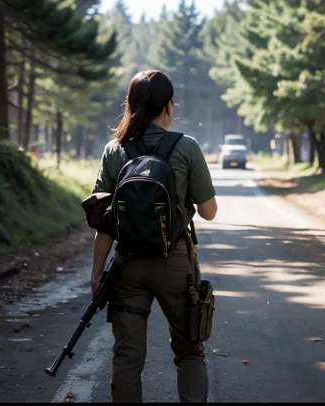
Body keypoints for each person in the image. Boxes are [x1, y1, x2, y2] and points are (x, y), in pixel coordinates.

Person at [90, 69, 218, 403]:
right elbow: (209, 211)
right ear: (169, 105)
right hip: (174, 263)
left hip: (127, 266)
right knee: (189, 350)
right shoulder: (186, 147)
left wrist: (96, 273)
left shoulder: (114, 150)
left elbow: (103, 222)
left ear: (131, 105)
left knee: (127, 356)